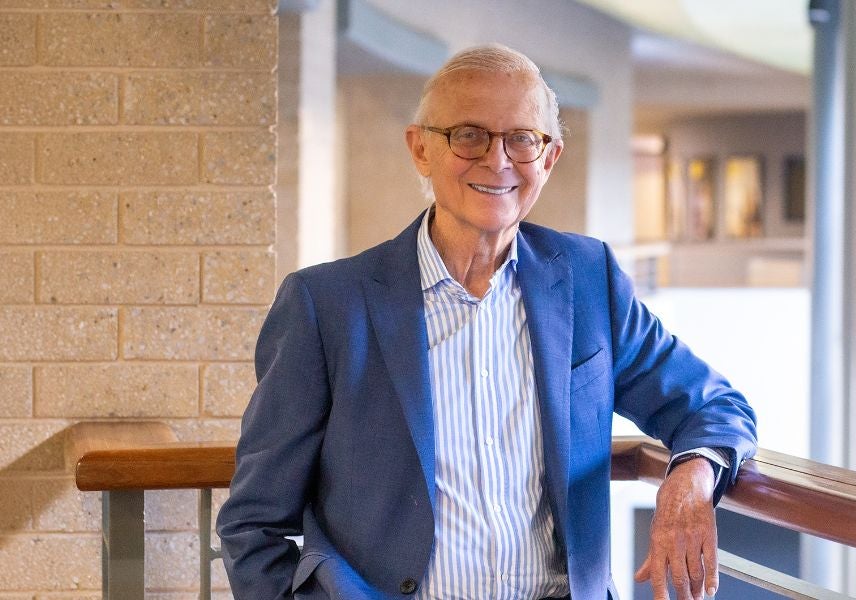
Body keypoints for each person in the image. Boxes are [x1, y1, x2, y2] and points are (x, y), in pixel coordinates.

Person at [217, 43, 757, 600]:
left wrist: (690, 478)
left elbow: (716, 406)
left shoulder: (588, 281)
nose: (497, 161)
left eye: (522, 138)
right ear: (420, 148)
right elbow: (253, 523)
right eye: (468, 134)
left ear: (548, 158)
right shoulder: (326, 304)